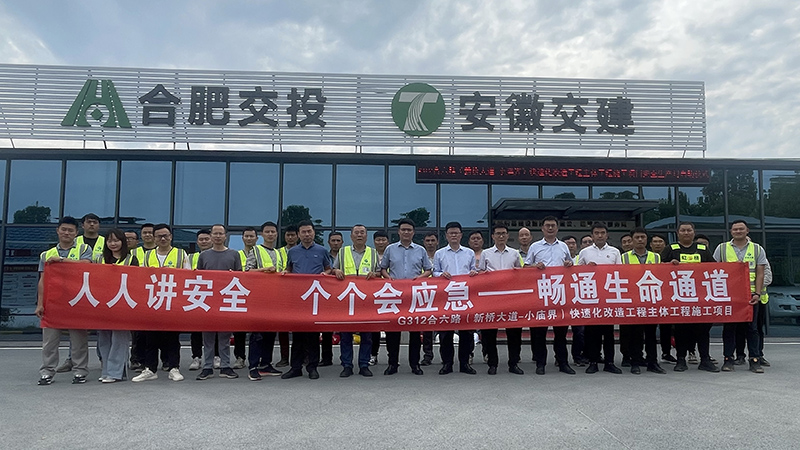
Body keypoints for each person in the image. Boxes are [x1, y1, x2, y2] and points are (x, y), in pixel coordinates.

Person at [36, 216, 93, 385]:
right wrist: (40, 303)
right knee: (50, 341)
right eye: (64, 229)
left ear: (76, 233)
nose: (66, 233)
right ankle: (47, 372)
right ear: (58, 231)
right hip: (53, 303)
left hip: (77, 301)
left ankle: (80, 371)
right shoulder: (46, 254)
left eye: (70, 230)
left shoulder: (84, 248)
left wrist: (61, 260)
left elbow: (86, 265)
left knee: (78, 340)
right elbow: (42, 280)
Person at [132, 223, 190, 383]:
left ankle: (174, 368)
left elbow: (187, 277)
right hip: (152, 302)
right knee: (150, 338)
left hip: (173, 301)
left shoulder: (181, 254)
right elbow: (141, 278)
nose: (163, 239)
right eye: (159, 236)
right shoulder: (147, 256)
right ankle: (150, 369)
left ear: (171, 237)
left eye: (165, 235)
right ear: (154, 238)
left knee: (172, 338)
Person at [661, 222, 720, 373]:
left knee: (703, 330)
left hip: (701, 297)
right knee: (681, 330)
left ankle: (705, 360)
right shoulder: (671, 249)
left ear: (694, 232)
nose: (686, 233)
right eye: (683, 230)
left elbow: (714, 269)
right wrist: (669, 264)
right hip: (679, 298)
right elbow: (658, 269)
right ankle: (681, 360)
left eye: (689, 230)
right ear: (678, 233)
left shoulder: (702, 249)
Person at [379, 218, 432, 376]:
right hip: (395, 295)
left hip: (413, 295)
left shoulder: (420, 250)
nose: (406, 232)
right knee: (392, 332)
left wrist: (420, 278)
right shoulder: (390, 249)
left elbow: (428, 270)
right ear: (399, 232)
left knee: (415, 332)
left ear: (413, 232)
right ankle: (392, 364)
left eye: (409, 230)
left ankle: (415, 364)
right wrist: (388, 278)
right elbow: (383, 268)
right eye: (403, 230)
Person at [713, 220, 767, 374]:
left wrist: (757, 293)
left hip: (750, 296)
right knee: (729, 328)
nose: (738, 231)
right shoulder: (722, 248)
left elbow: (760, 273)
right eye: (735, 229)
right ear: (731, 231)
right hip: (730, 296)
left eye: (741, 229)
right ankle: (728, 359)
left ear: (747, 230)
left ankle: (754, 360)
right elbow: (713, 269)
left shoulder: (757, 249)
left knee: (752, 328)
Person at [281, 220, 332, 380]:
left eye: (309, 231)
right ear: (298, 234)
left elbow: (328, 268)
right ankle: (295, 367)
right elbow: (289, 269)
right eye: (303, 232)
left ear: (314, 232)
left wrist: (326, 274)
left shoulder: (322, 250)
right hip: (298, 298)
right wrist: (285, 273)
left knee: (313, 335)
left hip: (314, 299)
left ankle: (312, 367)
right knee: (297, 335)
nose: (307, 234)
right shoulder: (293, 251)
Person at [524, 216, 575, 375]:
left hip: (560, 294)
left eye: (553, 225)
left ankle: (563, 362)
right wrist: (535, 266)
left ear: (557, 228)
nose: (550, 228)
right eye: (547, 225)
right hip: (542, 294)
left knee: (561, 333)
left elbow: (571, 264)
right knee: (540, 333)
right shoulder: (535, 246)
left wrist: (569, 264)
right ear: (542, 228)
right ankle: (541, 363)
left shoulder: (563, 246)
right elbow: (525, 268)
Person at [55, 212, 105, 373]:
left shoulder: (106, 242)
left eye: (95, 222)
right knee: (76, 326)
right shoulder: (74, 242)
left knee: (102, 327)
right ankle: (71, 359)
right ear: (82, 226)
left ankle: (104, 359)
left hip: (100, 287)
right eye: (89, 222)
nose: (92, 224)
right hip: (76, 288)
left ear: (99, 225)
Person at [332, 224, 379, 377]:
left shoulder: (373, 253)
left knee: (366, 335)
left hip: (366, 299)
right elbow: (333, 270)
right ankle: (347, 365)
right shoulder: (343, 251)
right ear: (351, 236)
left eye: (362, 233)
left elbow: (380, 272)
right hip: (347, 299)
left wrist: (375, 274)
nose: (359, 235)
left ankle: (364, 365)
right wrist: (336, 271)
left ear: (366, 236)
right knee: (346, 335)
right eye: (356, 233)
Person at [195, 224, 241, 381]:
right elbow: (199, 278)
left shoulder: (234, 254)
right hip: (207, 300)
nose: (218, 236)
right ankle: (207, 367)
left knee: (224, 337)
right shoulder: (204, 255)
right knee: (207, 337)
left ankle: (225, 366)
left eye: (221, 233)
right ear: (211, 236)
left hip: (226, 300)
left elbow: (240, 277)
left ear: (225, 236)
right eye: (215, 233)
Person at [433, 221, 479, 375]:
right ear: (446, 236)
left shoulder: (469, 253)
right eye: (451, 233)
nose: (454, 235)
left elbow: (474, 270)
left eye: (456, 233)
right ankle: (447, 363)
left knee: (467, 332)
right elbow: (435, 272)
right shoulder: (440, 253)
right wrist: (441, 274)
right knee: (446, 332)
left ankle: (465, 363)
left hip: (465, 296)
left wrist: (473, 273)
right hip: (446, 296)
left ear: (461, 235)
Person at [578, 222, 623, 375]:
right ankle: (593, 362)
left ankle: (610, 362)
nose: (599, 235)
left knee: (609, 333)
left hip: (609, 297)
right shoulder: (585, 252)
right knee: (592, 333)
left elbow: (620, 272)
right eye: (596, 233)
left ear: (607, 235)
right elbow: (577, 273)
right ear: (592, 235)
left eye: (602, 233)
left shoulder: (615, 251)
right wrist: (586, 268)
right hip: (591, 298)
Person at [478, 224, 523, 375]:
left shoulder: (515, 253)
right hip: (492, 298)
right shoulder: (486, 253)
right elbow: (481, 272)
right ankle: (492, 363)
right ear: (493, 236)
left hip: (511, 298)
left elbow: (519, 273)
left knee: (514, 333)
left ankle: (513, 363)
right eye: (498, 234)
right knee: (490, 333)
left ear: (508, 235)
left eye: (504, 233)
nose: (501, 236)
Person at [620, 227, 666, 375]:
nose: (640, 240)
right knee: (635, 334)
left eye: (643, 237)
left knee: (651, 334)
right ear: (632, 240)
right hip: (633, 301)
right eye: (637, 237)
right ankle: (635, 361)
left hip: (651, 300)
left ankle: (653, 362)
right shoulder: (624, 257)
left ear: (647, 240)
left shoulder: (656, 257)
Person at [244, 221, 285, 380]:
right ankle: (253, 366)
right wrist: (264, 270)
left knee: (270, 334)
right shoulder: (255, 250)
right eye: (267, 232)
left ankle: (266, 364)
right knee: (257, 334)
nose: (270, 234)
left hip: (275, 298)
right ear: (262, 234)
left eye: (273, 232)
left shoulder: (280, 253)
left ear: (276, 234)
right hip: (259, 298)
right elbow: (247, 272)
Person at [96, 228, 137, 383]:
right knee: (104, 339)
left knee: (120, 340)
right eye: (109, 241)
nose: (113, 244)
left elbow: (135, 281)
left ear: (122, 242)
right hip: (103, 304)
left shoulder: (131, 259)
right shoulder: (100, 259)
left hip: (122, 304)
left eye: (116, 240)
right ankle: (107, 370)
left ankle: (116, 372)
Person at [188, 228, 214, 371]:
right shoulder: (190, 257)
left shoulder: (217, 255)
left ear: (211, 240)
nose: (204, 242)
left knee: (215, 327)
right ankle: (196, 357)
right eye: (201, 239)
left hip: (214, 296)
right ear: (197, 242)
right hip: (196, 296)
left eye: (206, 239)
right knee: (196, 329)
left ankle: (216, 356)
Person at [275, 224, 299, 368]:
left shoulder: (301, 251)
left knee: (299, 327)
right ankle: (284, 357)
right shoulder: (278, 252)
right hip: (281, 293)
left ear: (297, 236)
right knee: (282, 327)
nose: (290, 238)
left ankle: (301, 356)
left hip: (298, 292)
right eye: (288, 235)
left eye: (292, 235)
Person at [561, 234, 587, 366]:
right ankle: (560, 358)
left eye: (573, 243)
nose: (571, 246)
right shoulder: (559, 261)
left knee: (579, 331)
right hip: (562, 299)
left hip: (578, 300)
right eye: (567, 244)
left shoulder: (580, 258)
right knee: (561, 332)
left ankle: (578, 356)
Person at [320, 231, 345, 367]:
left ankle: (345, 360)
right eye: (333, 241)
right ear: (328, 242)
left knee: (345, 329)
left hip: (344, 295)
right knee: (326, 328)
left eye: (338, 241)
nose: (335, 243)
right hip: (327, 295)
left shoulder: (346, 254)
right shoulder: (323, 254)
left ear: (342, 242)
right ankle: (326, 358)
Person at [651, 233, 676, 364]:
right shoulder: (649, 257)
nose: (657, 244)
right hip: (649, 296)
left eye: (660, 241)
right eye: (655, 242)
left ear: (665, 244)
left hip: (666, 296)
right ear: (650, 244)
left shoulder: (670, 258)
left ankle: (666, 353)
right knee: (649, 329)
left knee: (666, 327)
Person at [369, 230, 390, 367]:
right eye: (378, 240)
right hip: (373, 295)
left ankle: (391, 356)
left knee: (390, 327)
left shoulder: (392, 253)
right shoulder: (370, 254)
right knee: (374, 328)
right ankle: (373, 354)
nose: (381, 242)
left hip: (390, 294)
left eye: (383, 240)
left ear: (387, 241)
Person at [421, 231, 439, 367]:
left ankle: (446, 356)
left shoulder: (442, 254)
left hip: (442, 294)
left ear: (437, 242)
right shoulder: (420, 254)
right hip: (424, 294)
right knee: (427, 326)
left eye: (433, 240)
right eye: (428, 241)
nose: (430, 243)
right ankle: (428, 355)